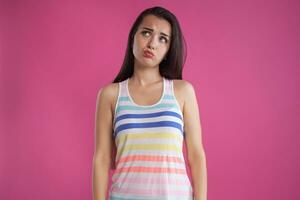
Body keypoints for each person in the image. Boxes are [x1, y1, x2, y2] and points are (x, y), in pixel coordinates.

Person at [93, 6, 207, 200]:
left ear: (169, 50)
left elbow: (196, 155)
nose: (153, 43)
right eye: (146, 33)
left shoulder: (182, 91)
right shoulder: (110, 95)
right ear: (132, 38)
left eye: (163, 38)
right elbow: (102, 158)